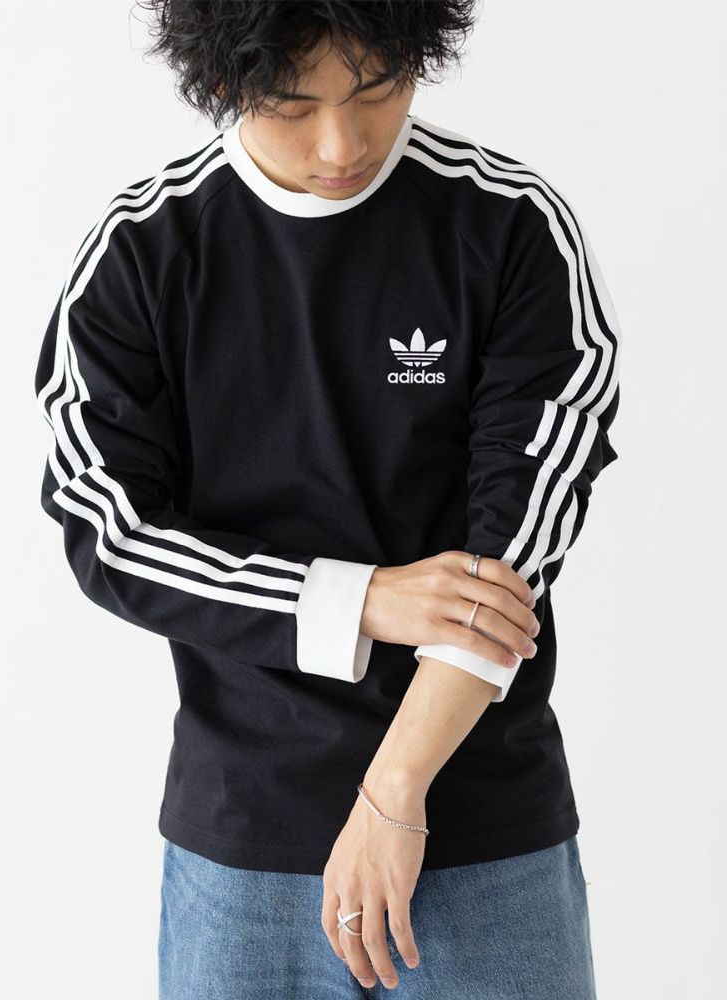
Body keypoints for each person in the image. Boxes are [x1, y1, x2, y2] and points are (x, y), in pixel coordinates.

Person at [34, 2, 620, 996]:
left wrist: (394, 792)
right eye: (292, 104)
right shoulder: (142, 254)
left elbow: (516, 548)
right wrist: (360, 599)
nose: (343, 144)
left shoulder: (509, 226)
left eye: (376, 90)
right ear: (221, 81)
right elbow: (111, 532)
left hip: (482, 831)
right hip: (243, 841)